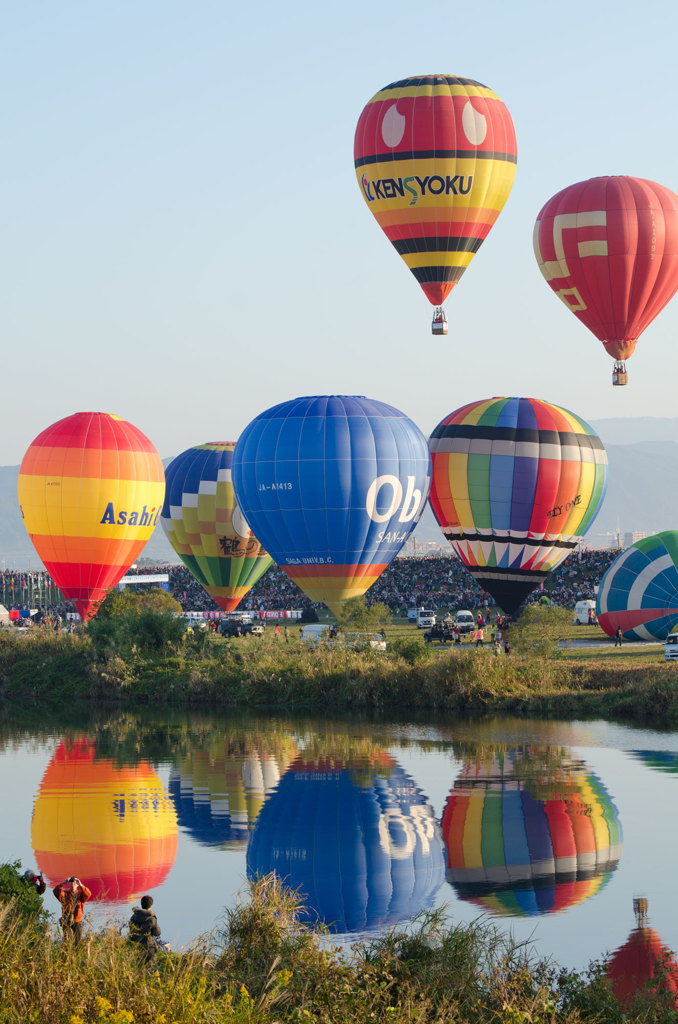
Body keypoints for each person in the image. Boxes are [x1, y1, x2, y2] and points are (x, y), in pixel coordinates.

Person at [53, 876, 92, 944]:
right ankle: (67, 953)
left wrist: (81, 885)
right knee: (67, 942)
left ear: (77, 884)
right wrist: (62, 883)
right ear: (69, 884)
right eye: (71, 882)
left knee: (77, 942)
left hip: (77, 921)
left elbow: (88, 894)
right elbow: (56, 892)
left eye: (75, 883)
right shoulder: (65, 894)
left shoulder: (80, 894)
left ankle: (76, 952)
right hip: (66, 921)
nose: (73, 884)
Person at [128, 895, 162, 963]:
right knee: (150, 968)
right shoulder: (152, 918)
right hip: (148, 947)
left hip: (135, 946)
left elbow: (131, 928)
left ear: (141, 904)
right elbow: (157, 933)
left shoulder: (134, 916)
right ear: (151, 905)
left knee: (136, 966)